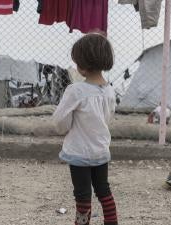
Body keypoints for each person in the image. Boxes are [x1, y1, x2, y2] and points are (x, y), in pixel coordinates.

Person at [52, 33, 118, 225]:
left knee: (82, 197)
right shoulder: (110, 91)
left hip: (79, 152)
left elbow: (59, 122)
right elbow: (108, 118)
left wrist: (67, 127)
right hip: (101, 150)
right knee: (104, 191)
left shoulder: (76, 91)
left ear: (82, 65)